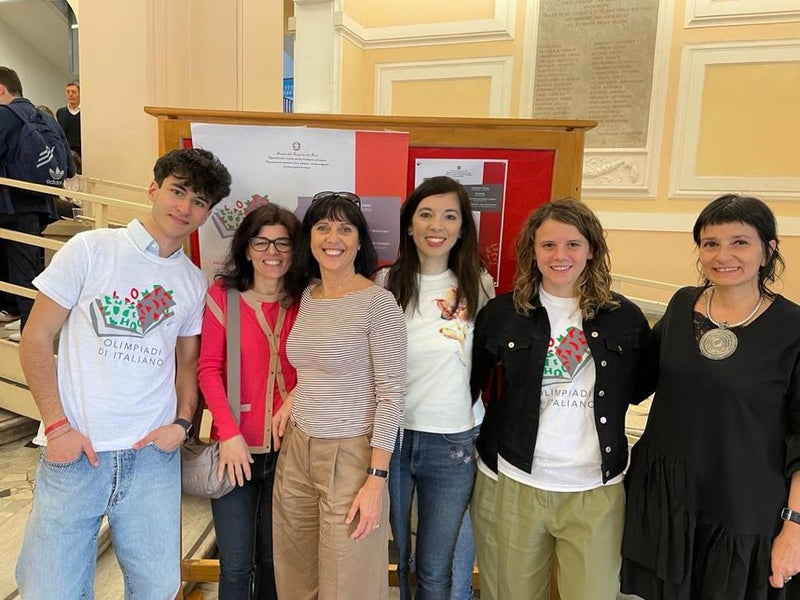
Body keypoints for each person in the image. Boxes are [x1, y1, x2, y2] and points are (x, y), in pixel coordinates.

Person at [15, 148, 232, 599]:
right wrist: (56, 428)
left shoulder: (192, 282)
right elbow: (35, 338)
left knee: (158, 587)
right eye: (178, 191)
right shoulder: (90, 250)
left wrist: (181, 424)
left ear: (207, 214)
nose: (185, 207)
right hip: (76, 452)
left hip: (151, 458)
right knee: (49, 590)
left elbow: (187, 366)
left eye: (198, 202)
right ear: (153, 189)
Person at [470, 198, 655, 600]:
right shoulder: (502, 314)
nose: (560, 255)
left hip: (596, 489)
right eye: (549, 245)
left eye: (573, 244)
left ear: (591, 250)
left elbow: (638, 387)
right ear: (532, 251)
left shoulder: (625, 318)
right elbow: (473, 385)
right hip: (512, 483)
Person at [621, 193, 800, 600]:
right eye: (710, 243)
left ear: (768, 250)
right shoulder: (683, 304)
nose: (723, 255)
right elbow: (635, 378)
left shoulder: (792, 328)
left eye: (740, 242)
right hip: (671, 500)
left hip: (743, 508)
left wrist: (794, 527)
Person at [272, 191, 407, 600]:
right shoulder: (308, 296)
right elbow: (316, 362)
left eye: (345, 229)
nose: (333, 238)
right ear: (310, 239)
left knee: (348, 584)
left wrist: (376, 481)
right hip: (298, 448)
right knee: (295, 575)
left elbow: (391, 396)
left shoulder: (379, 304)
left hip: (350, 455)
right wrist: (294, 397)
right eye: (323, 227)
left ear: (360, 241)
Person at [376, 175, 494, 600]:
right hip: (392, 438)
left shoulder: (478, 284)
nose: (436, 225)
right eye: (425, 214)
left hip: (452, 442)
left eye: (449, 216)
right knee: (398, 559)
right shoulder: (385, 283)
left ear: (462, 228)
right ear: (409, 225)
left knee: (435, 568)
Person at [198, 203, 306, 600]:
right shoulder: (223, 297)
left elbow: (324, 365)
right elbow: (208, 369)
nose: (271, 252)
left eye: (282, 243)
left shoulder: (307, 301)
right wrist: (228, 434)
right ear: (246, 248)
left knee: (276, 561)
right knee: (236, 563)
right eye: (261, 242)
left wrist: (295, 396)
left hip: (291, 450)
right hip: (235, 449)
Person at [0, 67, 74, 333]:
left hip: (8, 206)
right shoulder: (45, 117)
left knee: (19, 272)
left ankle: (28, 330)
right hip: (40, 206)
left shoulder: (4, 115)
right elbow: (69, 169)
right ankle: (26, 326)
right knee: (27, 270)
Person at [56, 81, 81, 157]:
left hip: (83, 151)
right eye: (68, 92)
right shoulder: (60, 112)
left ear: (79, 94)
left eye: (73, 92)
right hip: (66, 152)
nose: (70, 94)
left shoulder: (85, 112)